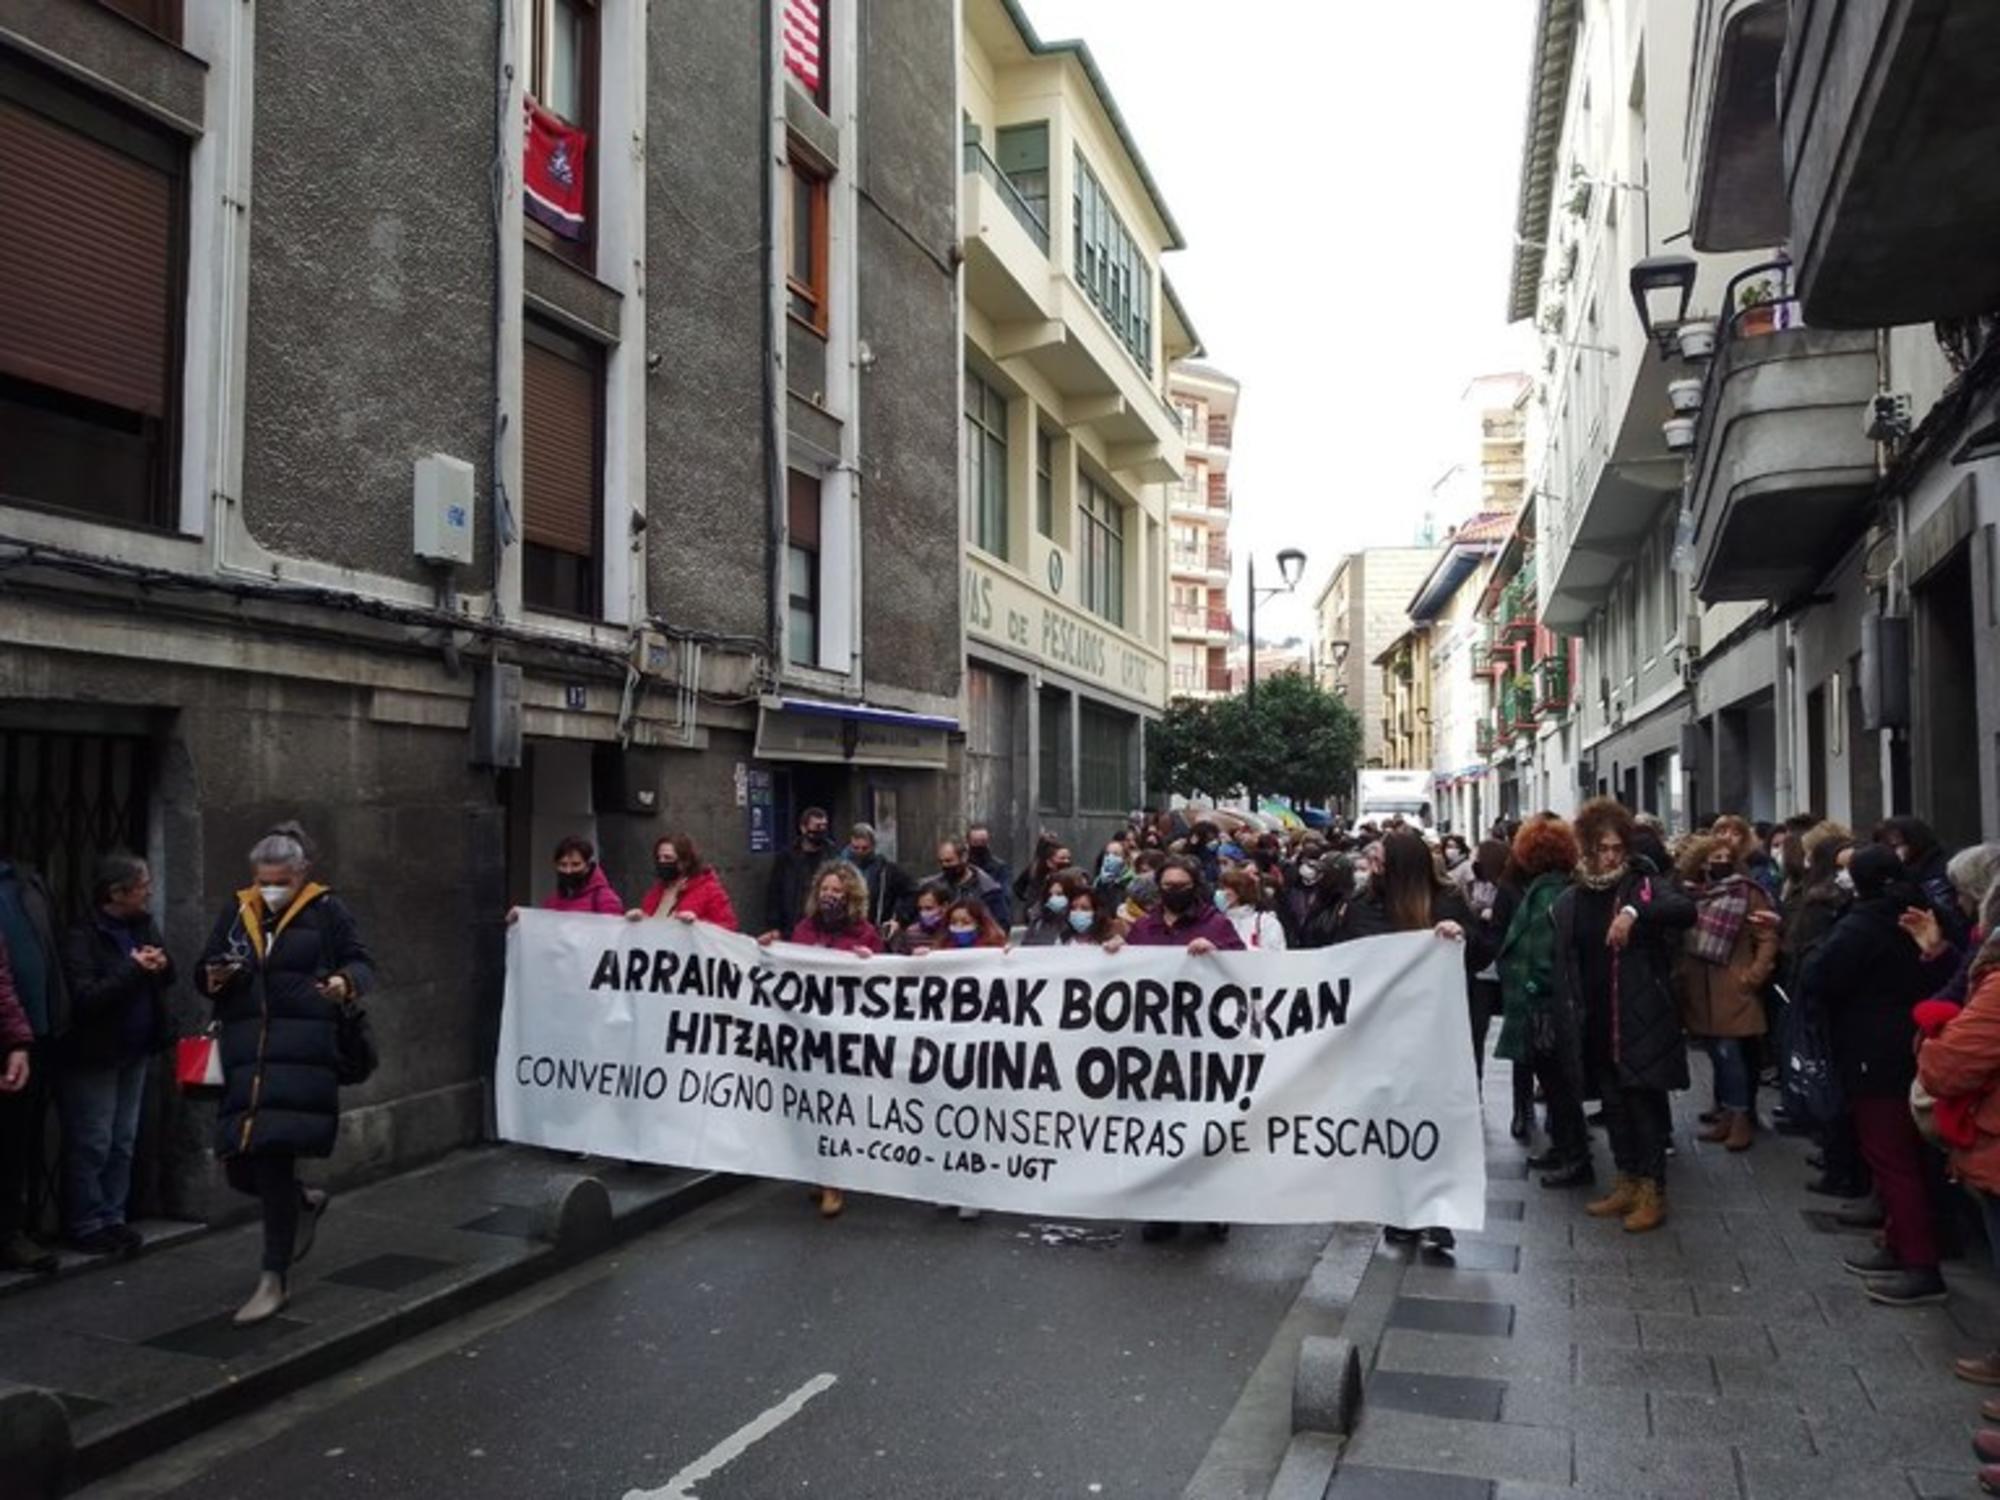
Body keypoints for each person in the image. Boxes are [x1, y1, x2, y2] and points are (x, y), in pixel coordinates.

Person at [199, 827, 374, 1325]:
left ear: (300, 876)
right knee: (239, 1164)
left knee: (272, 1163)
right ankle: (302, 1202)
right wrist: (210, 977)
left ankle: (272, 1279)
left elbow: (362, 963)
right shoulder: (239, 909)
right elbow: (207, 965)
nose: (270, 889)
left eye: (279, 881)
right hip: (245, 1055)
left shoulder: (327, 911)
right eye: (262, 880)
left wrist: (343, 983)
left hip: (300, 1054)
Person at [1800, 843, 1953, 1306]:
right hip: (1911, 1044)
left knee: (1891, 1157)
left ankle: (1919, 1264)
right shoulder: (1924, 912)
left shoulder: (1863, 923)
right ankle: (1898, 1241)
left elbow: (1819, 976)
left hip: (1874, 1050)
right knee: (1904, 1155)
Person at [1555, 799, 1696, 1235]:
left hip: (1639, 1017)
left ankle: (1653, 1190)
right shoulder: (1574, 895)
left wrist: (1636, 912)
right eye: (1601, 848)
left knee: (1643, 1104)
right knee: (1613, 1104)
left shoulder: (1642, 883)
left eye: (1617, 847)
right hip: (1596, 1016)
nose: (1610, 856)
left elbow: (1684, 910)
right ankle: (1626, 1180)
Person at [1333, 829, 1476, 1250]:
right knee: (1394, 1121)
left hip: (1435, 1033)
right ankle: (1403, 1210)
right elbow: (1342, 960)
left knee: (1434, 1118)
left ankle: (1437, 1210)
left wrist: (1459, 936)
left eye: (1381, 863)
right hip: (1382, 1032)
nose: (1373, 870)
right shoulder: (1361, 906)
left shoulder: (1445, 903)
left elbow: (1485, 953)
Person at [58, 853, 176, 1256]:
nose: (149, 893)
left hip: (136, 1050)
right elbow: (87, 998)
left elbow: (167, 975)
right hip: (96, 1054)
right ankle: (85, 1222)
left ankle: (113, 1216)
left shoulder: (142, 924)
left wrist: (160, 964)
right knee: (93, 1140)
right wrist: (134, 969)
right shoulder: (82, 935)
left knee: (123, 1140)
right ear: (117, 892)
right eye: (143, 886)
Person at [1126, 856, 1242, 1244]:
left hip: (1205, 1044)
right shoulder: (1143, 927)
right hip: (1157, 1046)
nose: (1174, 892)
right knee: (1161, 1127)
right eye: (1167, 886)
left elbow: (1247, 975)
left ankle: (1213, 1204)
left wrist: (1217, 952)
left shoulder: (1216, 924)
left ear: (1195, 886)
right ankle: (1164, 1208)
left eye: (1182, 885)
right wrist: (1111, 953)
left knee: (1204, 1128)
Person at [758, 863, 880, 1220]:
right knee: (810, 1104)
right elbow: (788, 974)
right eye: (825, 889)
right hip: (806, 1035)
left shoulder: (866, 934)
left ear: (852, 897)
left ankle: (834, 1182)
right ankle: (819, 1170)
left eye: (838, 891)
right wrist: (770, 950)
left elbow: (885, 987)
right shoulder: (803, 929)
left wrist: (870, 963)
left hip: (843, 1038)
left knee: (836, 1106)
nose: (830, 895)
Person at [1675, 833, 1780, 1153]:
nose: (1718, 863)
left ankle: (1740, 1118)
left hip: (1732, 986)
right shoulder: (1693, 894)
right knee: (1717, 1056)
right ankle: (1726, 1115)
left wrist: (1752, 976)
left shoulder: (1747, 893)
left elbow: (1766, 936)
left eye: (1724, 857)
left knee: (1731, 1054)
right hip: (1699, 988)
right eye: (1712, 857)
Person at [1497, 817, 1588, 1177]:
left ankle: (1574, 1156)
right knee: (1554, 1084)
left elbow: (1545, 949)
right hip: (1539, 1002)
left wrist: (1536, 986)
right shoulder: (1551, 888)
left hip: (1542, 1006)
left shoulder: (1548, 893)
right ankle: (1564, 1148)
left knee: (1559, 1084)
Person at [0, 856, 65, 1274]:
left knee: (11, 1144)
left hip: (15, 1043)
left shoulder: (23, 883)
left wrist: (19, 1040)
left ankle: (10, 1233)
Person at [1881, 815, 1971, 950]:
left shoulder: (1941, 866)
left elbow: (1950, 912)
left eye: (1896, 845)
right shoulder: (1903, 871)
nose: (1892, 852)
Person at [633, 834, 739, 930]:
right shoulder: (656, 892)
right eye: (658, 858)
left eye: (668, 858)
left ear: (685, 862)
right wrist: (636, 920)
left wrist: (697, 924)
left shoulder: (709, 890)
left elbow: (728, 927)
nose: (661, 862)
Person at [763, 806, 833, 935]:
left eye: (824, 826)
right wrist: (774, 926)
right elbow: (774, 893)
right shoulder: (786, 858)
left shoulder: (832, 856)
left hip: (823, 928)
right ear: (803, 828)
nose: (821, 831)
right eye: (817, 827)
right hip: (791, 927)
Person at [515, 835, 622, 918]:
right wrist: (521, 920)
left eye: (575, 864)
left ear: (588, 865)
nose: (568, 871)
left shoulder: (605, 899)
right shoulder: (552, 902)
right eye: (563, 865)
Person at [841, 823, 913, 933]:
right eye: (856, 848)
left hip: (875, 928)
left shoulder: (887, 871)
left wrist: (899, 918)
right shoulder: (841, 869)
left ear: (873, 846)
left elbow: (911, 892)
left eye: (865, 848)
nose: (860, 852)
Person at [935, 838, 1011, 929]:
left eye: (949, 861)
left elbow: (1002, 924)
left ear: (964, 857)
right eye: (941, 862)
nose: (945, 865)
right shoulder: (935, 887)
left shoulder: (988, 888)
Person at [1217, 867, 1288, 950]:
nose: (1220, 893)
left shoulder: (1266, 922)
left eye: (1224, 889)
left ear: (1239, 892)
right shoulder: (1217, 922)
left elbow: (1275, 954)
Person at [1021, 870, 1092, 947]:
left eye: (1059, 894)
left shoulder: (1078, 924)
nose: (1053, 898)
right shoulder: (1039, 921)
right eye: (1050, 895)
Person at [889, 881, 954, 955]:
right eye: (920, 909)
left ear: (944, 906)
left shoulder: (954, 932)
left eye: (929, 908)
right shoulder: (911, 933)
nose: (923, 913)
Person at [965, 824, 1012, 900]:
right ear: (968, 842)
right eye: (975, 842)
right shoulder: (962, 867)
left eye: (983, 842)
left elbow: (1005, 896)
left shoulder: (1000, 867)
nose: (979, 846)